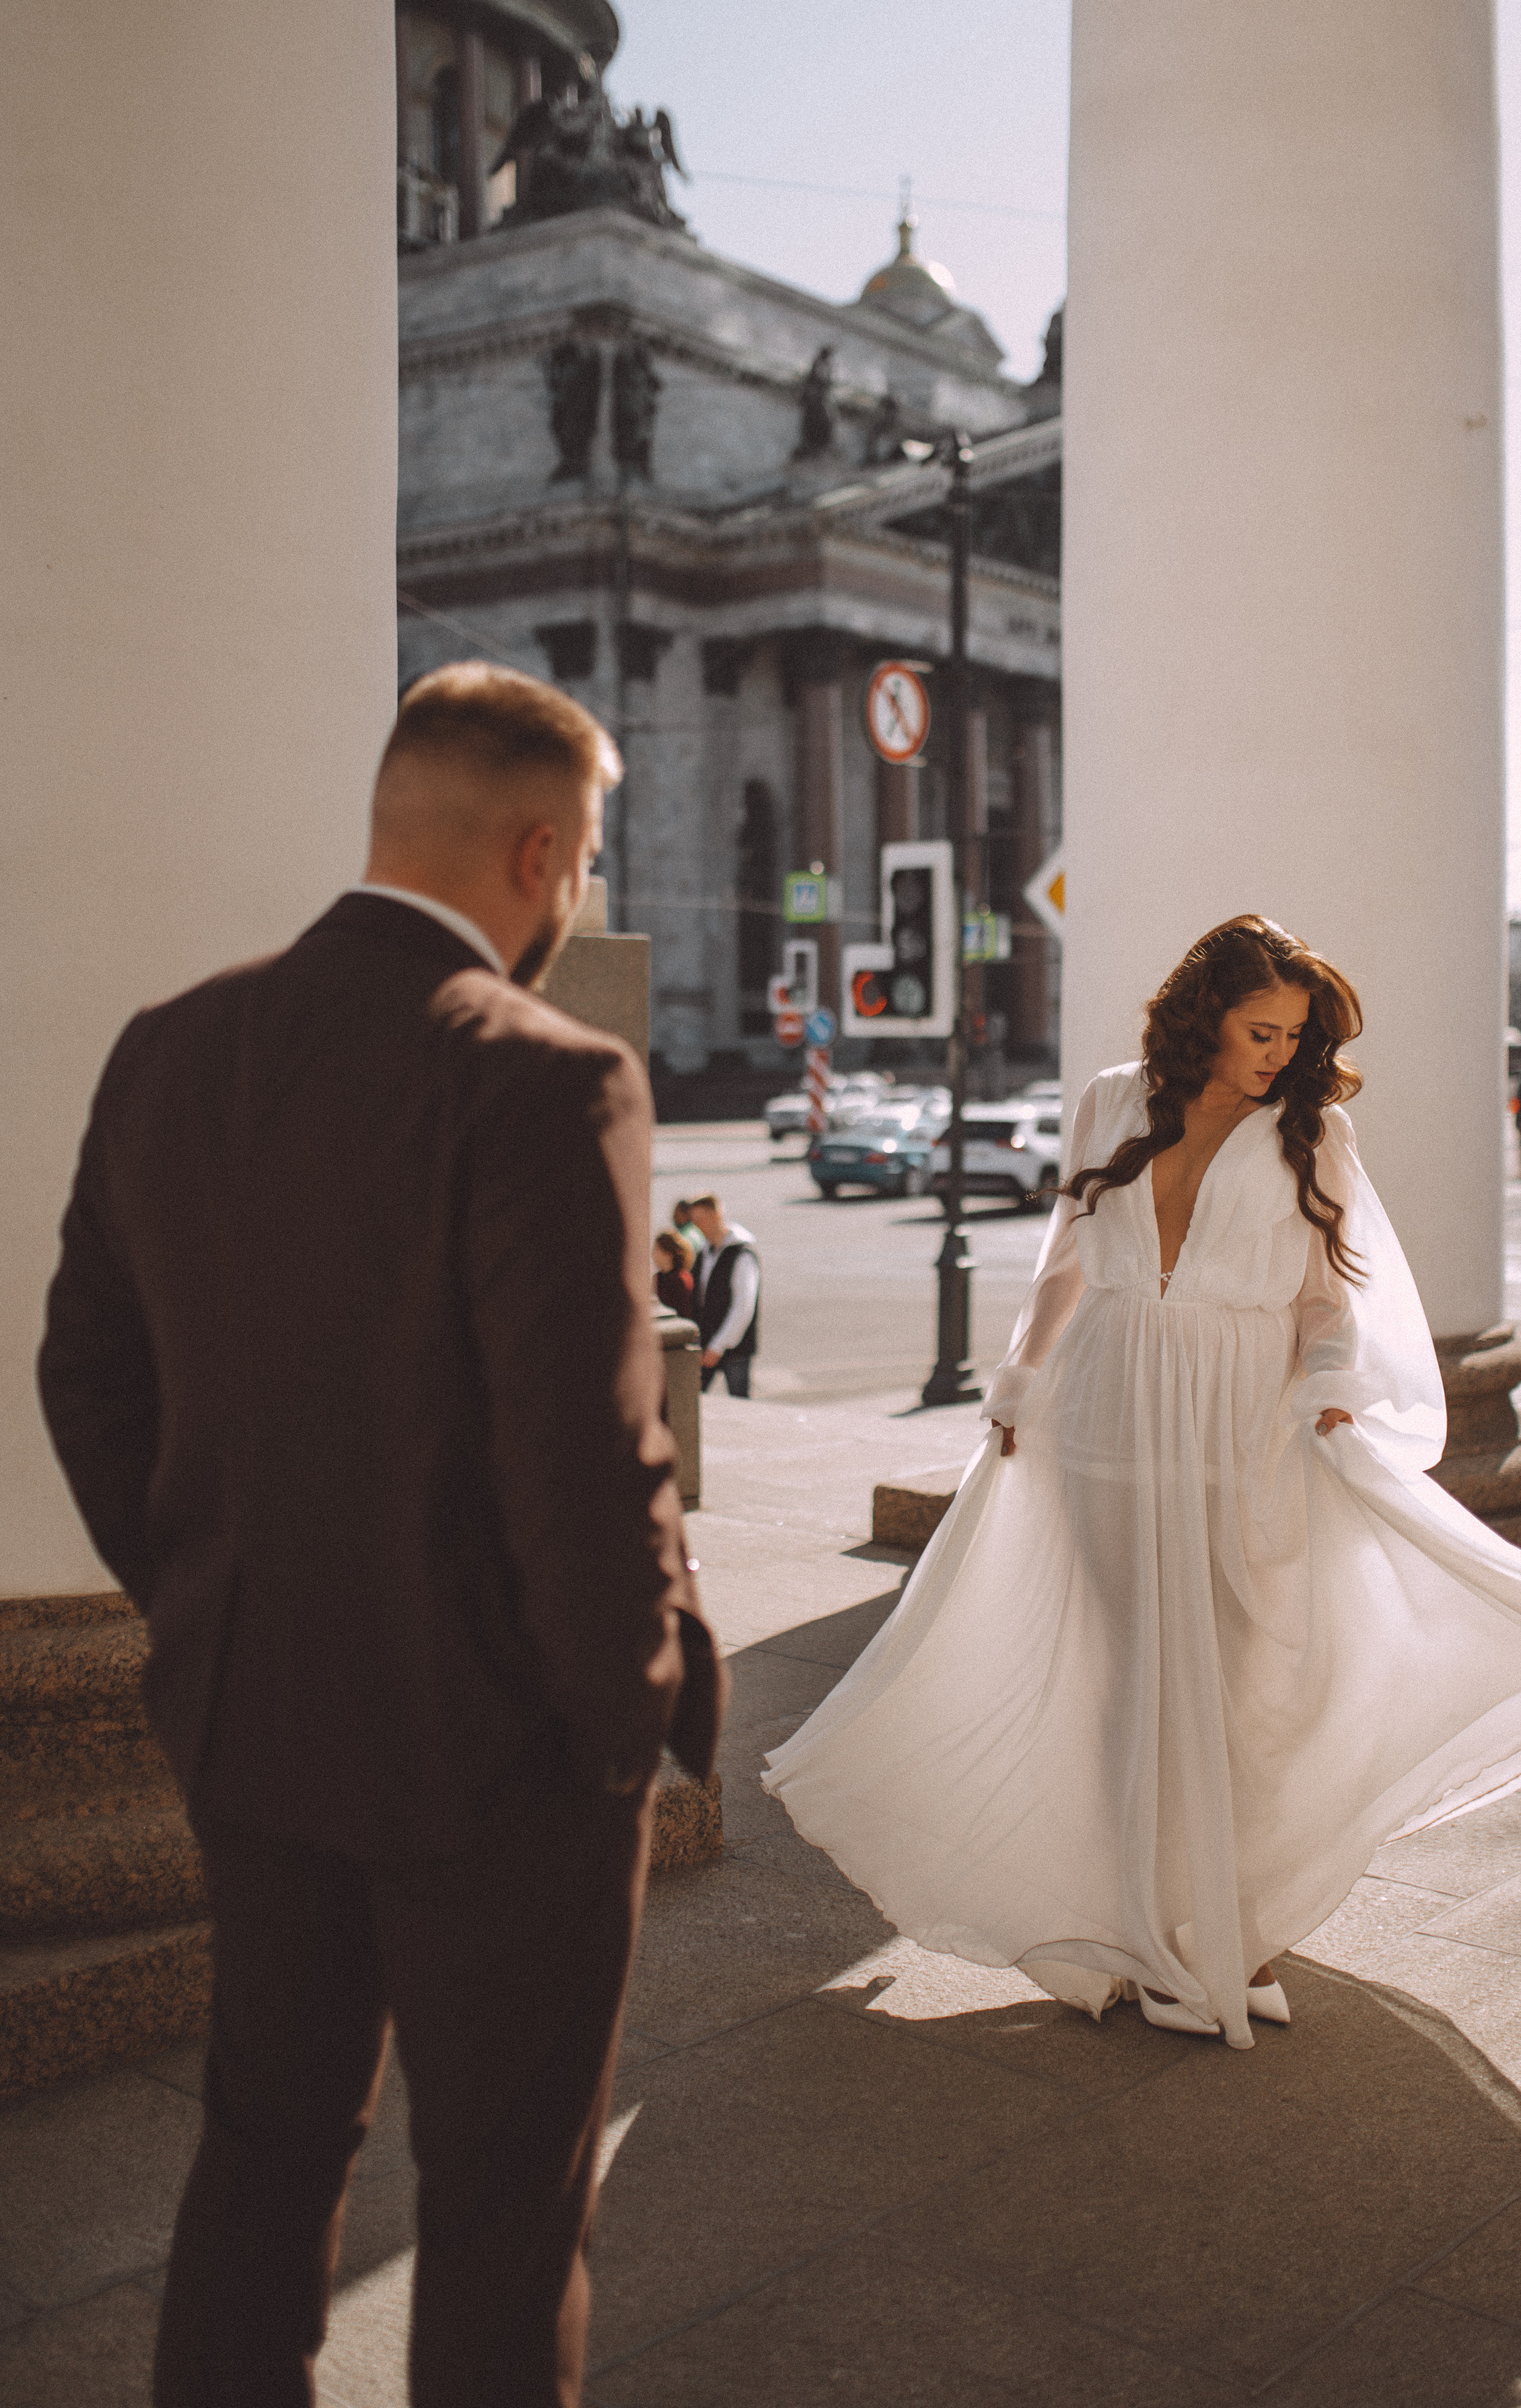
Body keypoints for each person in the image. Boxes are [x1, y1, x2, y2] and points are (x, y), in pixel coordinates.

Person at [37, 660, 723, 2406]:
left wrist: (202, 1588)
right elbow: (586, 1454)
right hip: (497, 1752)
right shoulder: (543, 1074)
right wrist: (624, 1718)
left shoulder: (172, 1042)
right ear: (541, 849)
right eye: (581, 864)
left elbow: (85, 1375)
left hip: (252, 1711)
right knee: (503, 2204)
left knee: (266, 2147)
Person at [765, 915, 1521, 2051]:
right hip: (1106, 1411)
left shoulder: (1313, 1131)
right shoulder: (1113, 1101)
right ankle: (1135, 1925)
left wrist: (1327, 1387)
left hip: (1241, 1424)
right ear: (1203, 1013)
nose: (1278, 1052)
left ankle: (1229, 1923)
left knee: (1239, 1685)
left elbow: (1329, 1298)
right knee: (1128, 1678)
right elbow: (1068, 1257)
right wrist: (1019, 1380)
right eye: (1261, 1028)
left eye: (1293, 1035)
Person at [688, 1193, 759, 1396]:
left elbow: (744, 1306)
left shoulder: (742, 1254)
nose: (697, 1227)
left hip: (734, 1348)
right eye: (694, 1221)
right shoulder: (704, 1251)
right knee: (693, 1398)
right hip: (707, 1341)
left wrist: (719, 1345)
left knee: (740, 1404)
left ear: (716, 1216)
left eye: (700, 1220)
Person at [653, 1227, 697, 1321]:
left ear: (668, 1254)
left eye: (657, 1249)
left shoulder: (681, 1279)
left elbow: (685, 1312)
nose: (653, 1254)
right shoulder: (657, 1277)